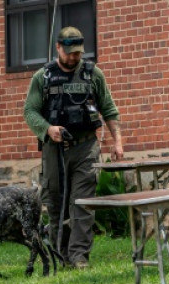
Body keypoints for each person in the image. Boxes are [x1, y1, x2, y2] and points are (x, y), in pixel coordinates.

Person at [23, 26, 124, 269]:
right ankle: (62, 254)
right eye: (69, 53)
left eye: (77, 53)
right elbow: (30, 111)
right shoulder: (43, 77)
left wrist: (117, 141)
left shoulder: (93, 74)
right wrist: (48, 129)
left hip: (85, 147)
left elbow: (109, 109)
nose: (73, 57)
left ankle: (79, 257)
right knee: (56, 203)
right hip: (54, 150)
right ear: (58, 48)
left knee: (83, 203)